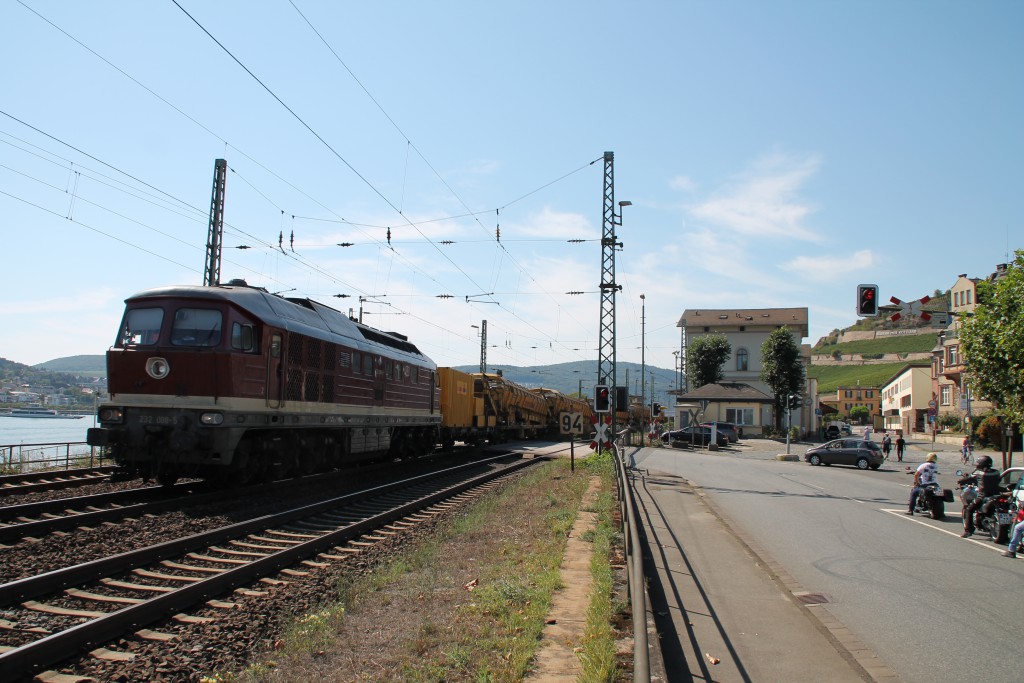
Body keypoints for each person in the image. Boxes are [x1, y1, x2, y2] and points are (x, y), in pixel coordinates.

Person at [959, 455, 1002, 538]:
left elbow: (969, 478)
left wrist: (961, 480)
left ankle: (968, 531)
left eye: (978, 463)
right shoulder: (996, 472)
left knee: (969, 509)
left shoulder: (979, 473)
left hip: (983, 497)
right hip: (996, 495)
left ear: (981, 464)